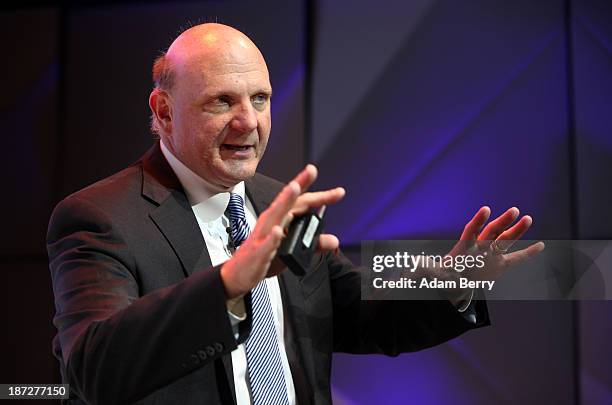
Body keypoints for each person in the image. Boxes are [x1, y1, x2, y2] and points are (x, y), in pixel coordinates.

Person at [47, 23, 543, 405]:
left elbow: (361, 318)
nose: (248, 121)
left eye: (259, 98)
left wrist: (452, 283)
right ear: (164, 111)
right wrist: (229, 284)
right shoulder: (100, 217)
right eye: (222, 101)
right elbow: (95, 371)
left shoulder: (278, 199)